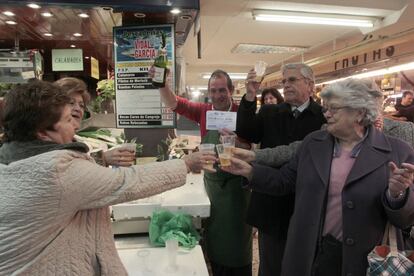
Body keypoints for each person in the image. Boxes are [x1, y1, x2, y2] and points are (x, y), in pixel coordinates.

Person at [0, 80, 216, 275]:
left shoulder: (11, 158)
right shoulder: (54, 170)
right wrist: (187, 163)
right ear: (42, 133)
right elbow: (128, 181)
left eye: (79, 108)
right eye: (68, 119)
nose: (75, 124)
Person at [224, 78, 414, 276]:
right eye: (326, 108)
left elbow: (406, 219)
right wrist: (249, 171)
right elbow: (284, 180)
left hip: (364, 260)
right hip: (311, 255)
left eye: (334, 109)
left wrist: (396, 195)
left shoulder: (397, 152)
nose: (327, 114)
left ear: (359, 112)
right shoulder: (314, 143)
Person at [152, 68, 252, 276]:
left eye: (222, 90)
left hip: (236, 188)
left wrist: (238, 141)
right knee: (214, 237)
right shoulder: (204, 111)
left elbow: (255, 148)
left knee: (237, 241)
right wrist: (162, 84)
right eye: (213, 91)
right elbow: (174, 103)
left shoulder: (243, 113)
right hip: (212, 185)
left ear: (231, 90)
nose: (217, 95)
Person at [236, 63, 326, 276]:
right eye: (284, 81)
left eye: (292, 80)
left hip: (305, 202)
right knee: (270, 265)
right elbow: (247, 132)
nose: (286, 85)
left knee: (303, 267)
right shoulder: (269, 112)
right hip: (270, 202)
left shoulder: (323, 117)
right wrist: (250, 94)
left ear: (310, 85)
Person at [54, 77, 135, 167]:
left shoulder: (81, 142)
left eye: (81, 105)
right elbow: (67, 170)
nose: (78, 109)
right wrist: (103, 158)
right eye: (71, 103)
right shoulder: (50, 141)